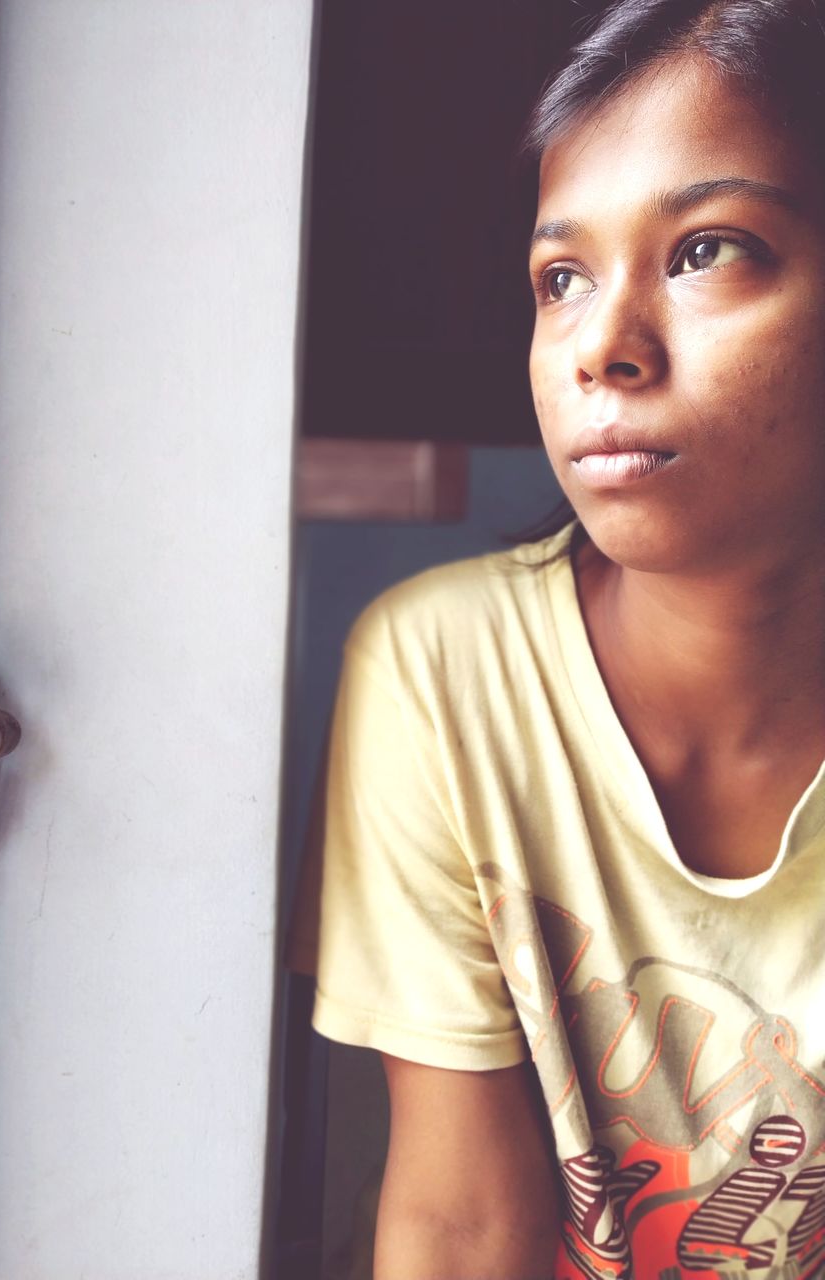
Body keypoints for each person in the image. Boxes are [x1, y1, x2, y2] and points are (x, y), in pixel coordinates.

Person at [288, 1, 825, 1275]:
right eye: (562, 277)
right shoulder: (442, 676)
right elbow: (465, 1223)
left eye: (708, 250)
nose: (603, 346)